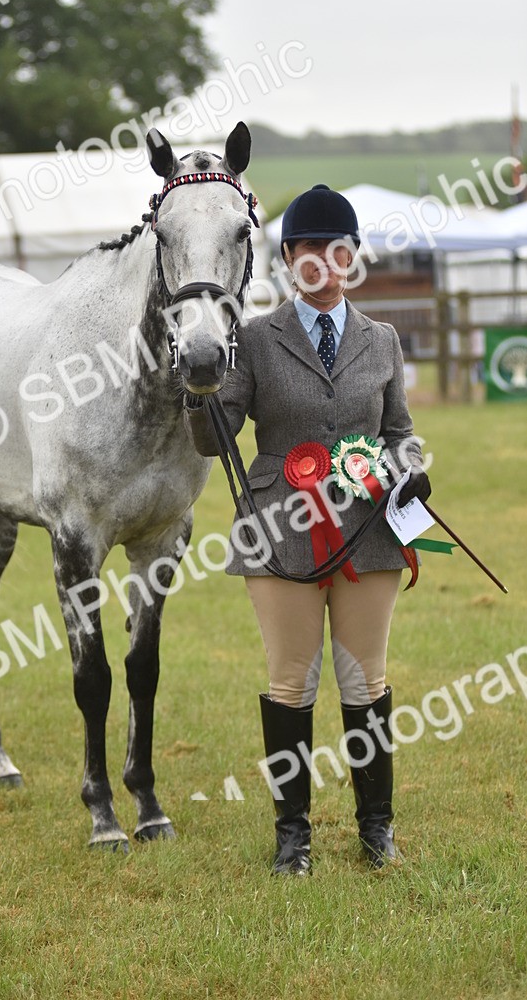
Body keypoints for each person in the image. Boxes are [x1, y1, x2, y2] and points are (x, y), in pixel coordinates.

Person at [184, 184, 431, 875]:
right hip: (280, 529)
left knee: (365, 682)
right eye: (309, 249)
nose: (324, 260)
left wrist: (410, 468)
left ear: (351, 257)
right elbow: (214, 438)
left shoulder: (380, 341)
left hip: (367, 531)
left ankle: (375, 830)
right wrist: (197, 387)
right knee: (290, 683)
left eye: (338, 248)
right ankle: (292, 837)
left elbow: (399, 434)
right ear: (288, 258)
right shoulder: (254, 340)